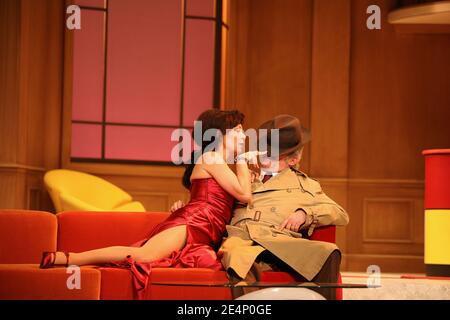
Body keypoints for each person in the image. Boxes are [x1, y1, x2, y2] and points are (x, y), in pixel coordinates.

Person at [39, 109, 258, 299]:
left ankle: (70, 259)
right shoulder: (211, 158)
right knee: (143, 256)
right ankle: (68, 258)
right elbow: (244, 194)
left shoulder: (218, 163)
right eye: (237, 130)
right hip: (194, 222)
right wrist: (242, 159)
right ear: (220, 134)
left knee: (154, 257)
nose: (242, 135)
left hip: (206, 228)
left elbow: (236, 197)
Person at [172, 114, 350, 300]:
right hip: (242, 240)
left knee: (328, 252)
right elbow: (211, 203)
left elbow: (340, 213)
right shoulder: (243, 178)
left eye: (274, 152)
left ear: (292, 160)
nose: (265, 153)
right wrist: (185, 209)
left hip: (280, 242)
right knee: (239, 260)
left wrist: (305, 214)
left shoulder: (305, 185)